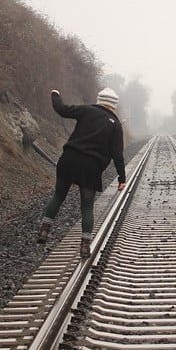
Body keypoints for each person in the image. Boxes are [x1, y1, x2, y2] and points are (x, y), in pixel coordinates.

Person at [37, 87, 127, 258]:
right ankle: (85, 246)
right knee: (86, 206)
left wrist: (55, 95)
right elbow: (117, 154)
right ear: (113, 106)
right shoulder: (115, 125)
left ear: (99, 100)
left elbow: (62, 110)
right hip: (91, 167)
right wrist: (122, 178)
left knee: (58, 195)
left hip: (69, 159)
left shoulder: (87, 111)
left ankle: (44, 230)